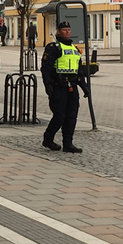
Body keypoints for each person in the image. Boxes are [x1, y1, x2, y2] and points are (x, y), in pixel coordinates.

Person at [41, 21, 89, 153]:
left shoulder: (74, 49)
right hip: (59, 86)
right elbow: (46, 69)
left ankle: (68, 143)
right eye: (64, 30)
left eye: (68, 29)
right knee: (59, 116)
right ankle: (48, 138)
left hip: (72, 86)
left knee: (71, 116)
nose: (67, 32)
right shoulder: (53, 47)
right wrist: (47, 85)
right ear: (58, 32)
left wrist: (84, 87)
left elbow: (79, 70)